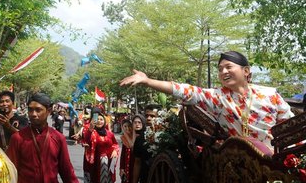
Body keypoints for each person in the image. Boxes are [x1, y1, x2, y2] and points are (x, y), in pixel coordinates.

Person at [120, 51, 294, 151]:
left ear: (246, 71)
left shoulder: (270, 94)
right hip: (239, 162)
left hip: (275, 155)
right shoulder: (217, 97)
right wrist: (148, 81)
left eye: (228, 67)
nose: (223, 72)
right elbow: (184, 90)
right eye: (220, 69)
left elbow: (289, 125)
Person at [82, 109, 122, 183]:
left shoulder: (109, 134)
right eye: (97, 119)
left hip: (110, 162)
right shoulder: (92, 133)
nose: (99, 121)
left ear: (104, 121)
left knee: (111, 182)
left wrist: (115, 151)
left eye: (101, 119)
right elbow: (86, 139)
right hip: (97, 163)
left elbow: (116, 144)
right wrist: (90, 128)